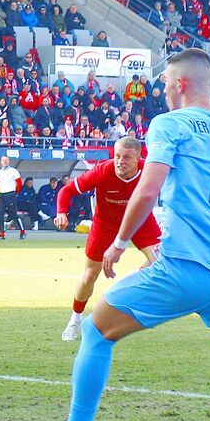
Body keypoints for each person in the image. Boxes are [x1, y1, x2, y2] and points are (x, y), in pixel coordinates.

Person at [18, 48, 210, 421]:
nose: (164, 91)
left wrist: (119, 242)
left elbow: (149, 189)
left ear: (182, 84)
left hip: (185, 268)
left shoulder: (169, 123)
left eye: (167, 84)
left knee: (98, 331)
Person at [53, 137, 162, 341]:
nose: (120, 161)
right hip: (105, 225)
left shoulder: (150, 171)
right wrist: (61, 212)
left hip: (141, 221)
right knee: (89, 274)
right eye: (117, 155)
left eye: (127, 157)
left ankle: (130, 284)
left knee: (162, 263)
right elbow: (66, 191)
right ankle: (75, 319)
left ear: (139, 157)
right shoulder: (103, 170)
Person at [0, 156, 26, 240]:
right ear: (1, 162)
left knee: (14, 214)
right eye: (3, 160)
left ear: (9, 162)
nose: (5, 162)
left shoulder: (13, 171)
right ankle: (2, 233)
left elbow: (19, 183)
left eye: (6, 160)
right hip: (1, 195)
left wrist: (16, 193)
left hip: (11, 194)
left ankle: (22, 231)